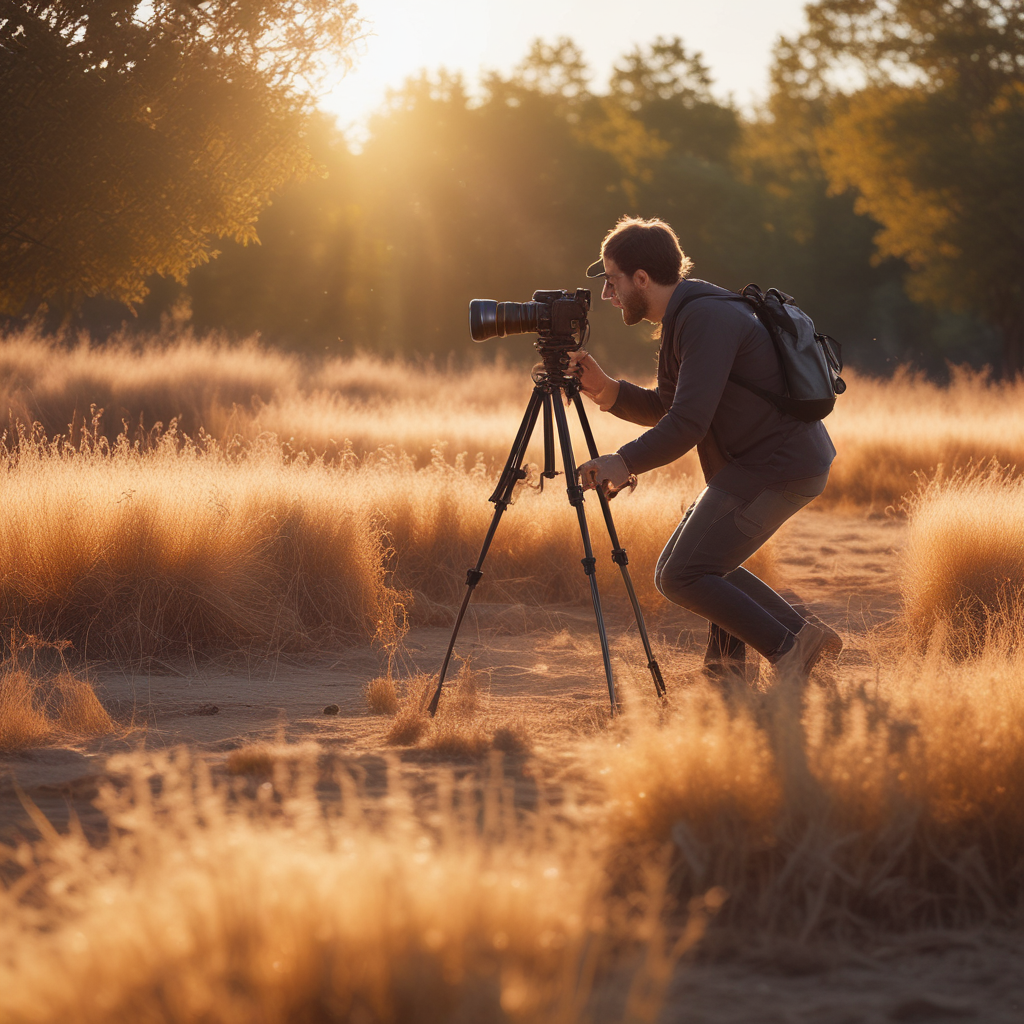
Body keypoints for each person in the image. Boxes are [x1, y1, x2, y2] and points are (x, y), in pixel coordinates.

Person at [573, 216, 841, 684]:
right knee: (698, 566)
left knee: (682, 574)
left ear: (641, 278)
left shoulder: (705, 317)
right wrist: (607, 389)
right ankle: (743, 670)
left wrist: (625, 460)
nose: (607, 294)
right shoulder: (688, 315)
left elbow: (688, 423)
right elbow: (669, 405)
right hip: (764, 464)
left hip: (776, 467)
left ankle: (792, 650)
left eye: (613, 281)